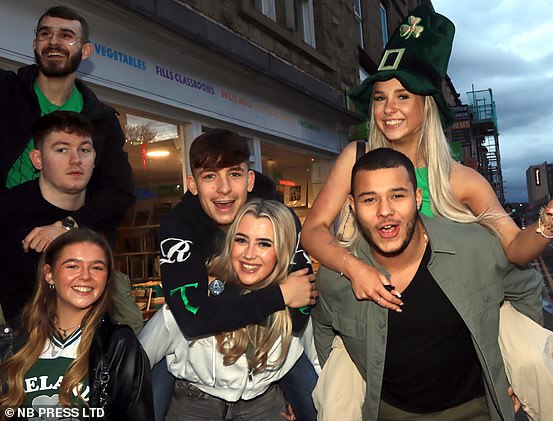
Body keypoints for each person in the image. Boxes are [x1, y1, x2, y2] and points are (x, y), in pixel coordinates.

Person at [301, 2, 553, 311]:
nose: (388, 109)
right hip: (372, 321)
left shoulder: (459, 178)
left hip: (445, 323)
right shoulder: (357, 157)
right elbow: (313, 230)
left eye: (403, 96)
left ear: (427, 106)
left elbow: (515, 247)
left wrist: (550, 222)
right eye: (380, 98)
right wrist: (354, 268)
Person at [311, 148, 545, 420]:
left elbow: (526, 287)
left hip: (475, 410)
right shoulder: (335, 278)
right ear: (352, 206)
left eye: (397, 196)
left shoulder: (474, 248)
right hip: (390, 413)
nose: (384, 211)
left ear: (418, 198)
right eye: (369, 199)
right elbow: (323, 326)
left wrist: (518, 369)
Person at [154, 129, 317, 420]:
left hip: (263, 377)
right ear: (193, 185)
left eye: (234, 174)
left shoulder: (280, 218)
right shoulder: (179, 226)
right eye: (210, 176)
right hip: (197, 380)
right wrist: (278, 292)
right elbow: (193, 320)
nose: (224, 188)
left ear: (250, 179)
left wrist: (215, 289)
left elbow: (300, 310)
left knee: (317, 403)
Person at [0, 5, 135, 249]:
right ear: (34, 44)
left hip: (69, 247)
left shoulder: (101, 119)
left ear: (85, 51)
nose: (53, 42)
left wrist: (68, 225)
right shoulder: (6, 92)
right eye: (45, 34)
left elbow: (120, 192)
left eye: (66, 35)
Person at [0, 111, 142, 333]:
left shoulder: (104, 206)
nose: (76, 160)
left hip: (93, 342)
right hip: (23, 347)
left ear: (94, 157)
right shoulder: (9, 210)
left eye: (84, 150)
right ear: (37, 159)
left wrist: (65, 226)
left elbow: (123, 192)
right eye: (61, 149)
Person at [0, 228, 153, 419]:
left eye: (96, 267)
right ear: (49, 274)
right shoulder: (10, 340)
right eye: (73, 266)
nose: (86, 276)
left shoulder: (117, 343)